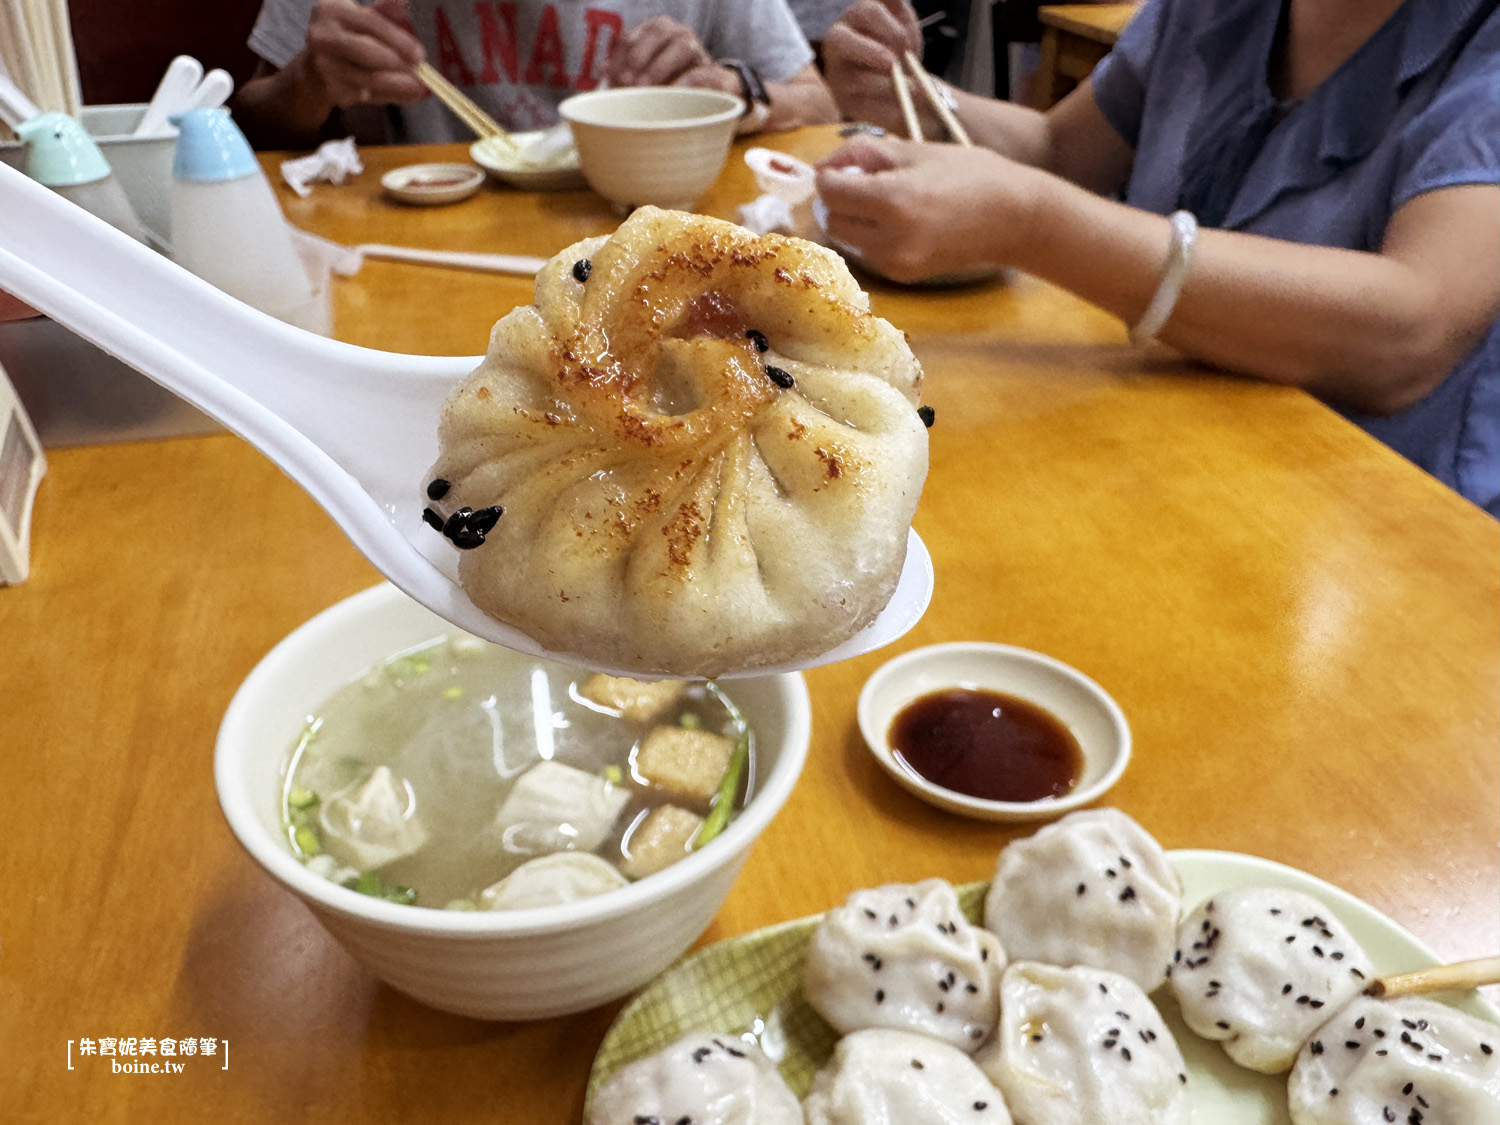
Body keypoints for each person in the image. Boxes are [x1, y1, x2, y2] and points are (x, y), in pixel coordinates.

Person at [817, 0, 1500, 515]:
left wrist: (1033, 223)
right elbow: (1061, 149)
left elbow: (1413, 328)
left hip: (1375, 532)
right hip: (1163, 455)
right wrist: (919, 102)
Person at [234, 0, 838, 149]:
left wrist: (739, 94)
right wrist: (309, 83)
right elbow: (246, 127)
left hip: (645, 240)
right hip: (430, 250)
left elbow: (820, 105)